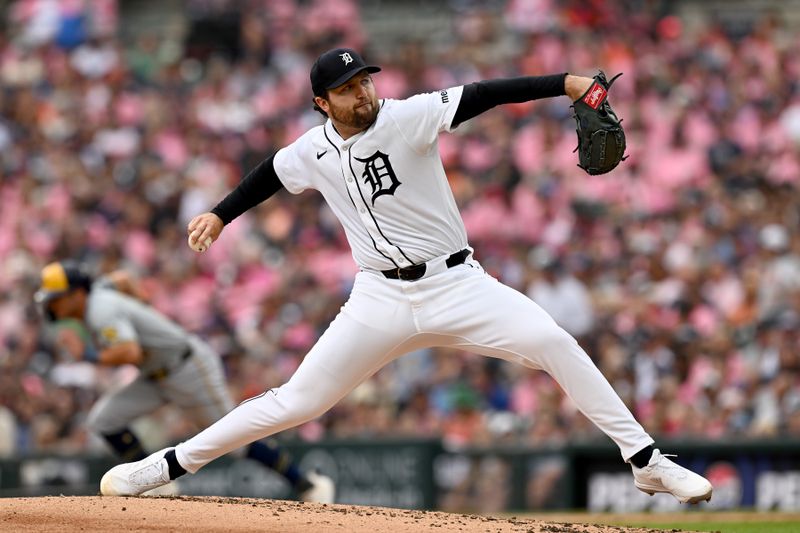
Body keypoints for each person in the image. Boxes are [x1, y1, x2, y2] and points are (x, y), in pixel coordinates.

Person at [100, 48, 713, 504]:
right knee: (297, 401)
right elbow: (269, 173)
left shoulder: (408, 116)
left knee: (553, 342)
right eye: (347, 87)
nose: (362, 92)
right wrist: (219, 212)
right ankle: (167, 467)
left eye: (364, 79)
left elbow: (487, 92)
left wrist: (568, 84)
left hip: (458, 285)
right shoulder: (312, 150)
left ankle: (646, 459)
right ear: (323, 102)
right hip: (379, 298)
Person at [35, 260, 334, 502]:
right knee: (104, 419)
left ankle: (306, 484)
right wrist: (141, 301)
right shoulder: (97, 292)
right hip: (155, 375)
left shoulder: (100, 309)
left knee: (235, 438)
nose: (51, 306)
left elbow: (129, 350)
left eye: (55, 299)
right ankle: (153, 483)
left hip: (188, 368)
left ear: (75, 294)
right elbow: (123, 278)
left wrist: (86, 353)